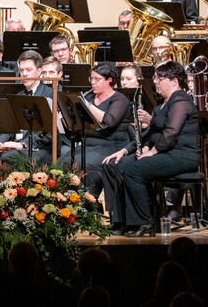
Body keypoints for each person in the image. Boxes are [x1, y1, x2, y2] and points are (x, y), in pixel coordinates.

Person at [101, 61, 200, 236]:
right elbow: (151, 133)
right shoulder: (161, 103)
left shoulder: (181, 101)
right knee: (117, 165)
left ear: (174, 81)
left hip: (182, 155)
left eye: (160, 78)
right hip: (165, 152)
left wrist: (151, 152)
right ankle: (123, 221)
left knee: (133, 171)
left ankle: (145, 221)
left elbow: (170, 134)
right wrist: (136, 149)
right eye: (155, 77)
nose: (155, 82)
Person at [79, 63, 132, 203]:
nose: (93, 83)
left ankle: (88, 205)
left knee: (86, 164)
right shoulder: (90, 97)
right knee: (65, 161)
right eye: (91, 79)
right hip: (89, 145)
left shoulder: (119, 99)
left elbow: (110, 120)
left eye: (97, 79)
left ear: (109, 80)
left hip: (111, 145)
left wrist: (88, 107)